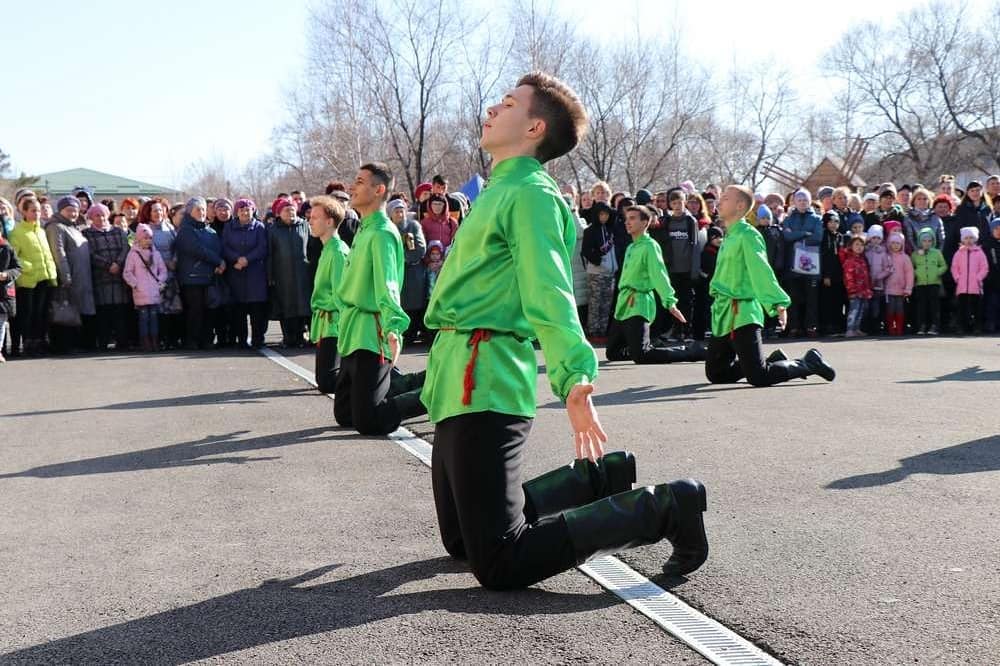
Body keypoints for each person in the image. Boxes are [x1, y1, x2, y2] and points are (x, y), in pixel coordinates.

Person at [421, 72, 709, 591]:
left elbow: (548, 290)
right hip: (454, 373)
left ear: (533, 127)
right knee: (463, 541)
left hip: (482, 375)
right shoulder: (497, 189)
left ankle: (666, 507)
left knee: (500, 562)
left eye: (507, 104)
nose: (491, 108)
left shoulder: (531, 194)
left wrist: (574, 376)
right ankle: (597, 480)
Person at [705, 185, 835, 387]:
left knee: (759, 377)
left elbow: (761, 271)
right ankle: (772, 361)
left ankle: (808, 363)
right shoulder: (729, 234)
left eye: (725, 198)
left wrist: (778, 302)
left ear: (740, 206)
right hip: (723, 312)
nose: (719, 201)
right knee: (716, 373)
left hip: (742, 313)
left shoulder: (748, 235)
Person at [333, 162, 426, 436]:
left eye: (360, 182)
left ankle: (437, 388)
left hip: (371, 332)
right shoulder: (364, 228)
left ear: (379, 190)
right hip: (352, 329)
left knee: (370, 422)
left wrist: (393, 328)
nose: (352, 186)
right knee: (345, 415)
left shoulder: (383, 233)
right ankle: (393, 383)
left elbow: (389, 286)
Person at [605, 205, 705, 365]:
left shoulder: (650, 246)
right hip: (623, 304)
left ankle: (690, 352)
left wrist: (670, 302)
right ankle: (645, 348)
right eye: (626, 219)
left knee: (642, 355)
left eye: (632, 219)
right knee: (613, 353)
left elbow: (659, 275)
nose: (627, 222)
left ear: (645, 222)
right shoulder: (631, 247)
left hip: (639, 303)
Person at [308, 195, 351, 393]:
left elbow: (342, 293)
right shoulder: (327, 248)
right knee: (325, 380)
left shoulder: (337, 251)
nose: (310, 221)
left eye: (315, 217)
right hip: (325, 323)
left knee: (328, 381)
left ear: (329, 221)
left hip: (334, 324)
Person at [45, 196, 95, 353]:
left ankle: (78, 344)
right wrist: (65, 275)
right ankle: (63, 345)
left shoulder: (74, 227)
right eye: (69, 210)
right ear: (60, 210)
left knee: (78, 310)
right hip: (69, 277)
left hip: (82, 276)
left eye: (75, 210)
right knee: (65, 311)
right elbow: (59, 253)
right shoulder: (56, 227)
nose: (73, 213)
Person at [175, 197, 225, 350]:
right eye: (198, 209)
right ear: (190, 212)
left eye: (204, 209)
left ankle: (207, 339)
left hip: (209, 277)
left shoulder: (210, 231)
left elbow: (217, 248)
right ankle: (192, 340)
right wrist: (218, 261)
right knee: (195, 311)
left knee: (209, 310)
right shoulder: (185, 230)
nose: (202, 212)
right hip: (191, 278)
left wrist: (219, 263)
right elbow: (196, 250)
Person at [9, 197, 57, 356]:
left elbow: (47, 254)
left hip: (44, 277)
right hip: (27, 280)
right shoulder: (17, 232)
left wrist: (52, 272)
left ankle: (40, 341)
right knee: (28, 313)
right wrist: (28, 266)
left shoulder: (42, 231)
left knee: (42, 312)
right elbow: (14, 257)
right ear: (24, 212)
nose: (37, 213)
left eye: (38, 210)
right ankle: (28, 343)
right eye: (33, 210)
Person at [651, 188, 700, 340]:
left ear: (685, 202)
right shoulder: (667, 221)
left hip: (686, 268)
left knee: (687, 301)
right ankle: (675, 329)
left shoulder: (690, 221)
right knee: (674, 300)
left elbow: (695, 245)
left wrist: (694, 269)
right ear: (670, 204)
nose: (677, 205)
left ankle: (686, 330)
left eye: (680, 202)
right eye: (674, 203)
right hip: (672, 268)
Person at [82, 203, 131, 350]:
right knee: (103, 312)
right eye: (97, 215)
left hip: (119, 277)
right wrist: (107, 265)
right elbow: (90, 254)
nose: (101, 218)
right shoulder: (87, 234)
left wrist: (118, 263)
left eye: (103, 214)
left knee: (120, 311)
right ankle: (103, 342)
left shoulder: (118, 231)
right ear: (91, 217)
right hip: (101, 277)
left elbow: (125, 249)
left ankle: (122, 342)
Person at [224, 199, 269, 349]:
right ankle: (241, 340)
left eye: (248, 210)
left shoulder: (260, 227)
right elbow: (225, 247)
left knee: (257, 311)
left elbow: (262, 248)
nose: (245, 212)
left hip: (255, 273)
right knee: (239, 311)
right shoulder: (229, 228)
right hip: (236, 272)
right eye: (242, 210)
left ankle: (258, 339)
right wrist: (236, 259)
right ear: (236, 212)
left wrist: (246, 260)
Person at [268, 198, 312, 348]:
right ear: (279, 213)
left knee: (302, 305)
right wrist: (270, 276)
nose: (290, 212)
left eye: (292, 209)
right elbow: (269, 254)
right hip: (282, 274)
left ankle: (300, 336)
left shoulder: (305, 225)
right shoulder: (273, 230)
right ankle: (288, 337)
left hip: (302, 273)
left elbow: (312, 248)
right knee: (285, 306)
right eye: (286, 210)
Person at [782, 189, 823, 337]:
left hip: (811, 264)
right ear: (794, 202)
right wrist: (804, 234)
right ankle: (794, 326)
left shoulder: (817, 219)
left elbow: (818, 237)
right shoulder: (788, 218)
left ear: (809, 201)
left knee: (811, 298)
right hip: (793, 265)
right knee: (793, 297)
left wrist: (796, 236)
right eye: (799, 200)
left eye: (805, 200)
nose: (802, 202)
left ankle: (811, 326)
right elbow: (786, 236)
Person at [122, 224, 167, 351]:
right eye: (145, 238)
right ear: (139, 239)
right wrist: (135, 284)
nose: (148, 240)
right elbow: (127, 272)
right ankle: (145, 341)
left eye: (150, 238)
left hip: (154, 291)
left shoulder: (156, 254)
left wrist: (160, 281)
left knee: (153, 318)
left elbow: (163, 270)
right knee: (143, 318)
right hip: (140, 292)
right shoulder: (133, 254)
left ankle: (155, 340)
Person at [388, 198, 427, 344]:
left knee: (415, 302)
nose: (400, 214)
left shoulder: (413, 226)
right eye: (396, 212)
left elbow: (421, 248)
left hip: (413, 269)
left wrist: (404, 258)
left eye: (402, 211)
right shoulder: (389, 229)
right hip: (395, 271)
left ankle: (413, 332)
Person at [581, 201, 617, 342]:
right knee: (595, 303)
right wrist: (599, 260)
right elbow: (586, 251)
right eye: (601, 214)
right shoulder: (590, 231)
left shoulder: (610, 230)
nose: (604, 217)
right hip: (596, 273)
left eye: (607, 214)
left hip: (610, 272)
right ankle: (593, 331)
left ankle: (602, 330)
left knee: (606, 303)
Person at [951, 227, 989, 335]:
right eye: (966, 238)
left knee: (976, 308)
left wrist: (979, 278)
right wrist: (957, 278)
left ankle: (977, 327)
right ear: (963, 239)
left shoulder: (979, 252)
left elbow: (984, 267)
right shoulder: (959, 253)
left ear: (975, 239)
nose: (969, 240)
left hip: (975, 286)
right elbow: (954, 267)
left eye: (971, 238)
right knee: (962, 308)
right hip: (962, 286)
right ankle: (961, 327)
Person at [910, 227, 948, 335]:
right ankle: (922, 325)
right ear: (920, 241)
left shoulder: (936, 253)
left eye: (929, 241)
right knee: (921, 306)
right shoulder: (915, 254)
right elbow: (911, 267)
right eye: (924, 241)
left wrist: (937, 272)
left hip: (934, 283)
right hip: (920, 284)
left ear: (933, 241)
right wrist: (916, 273)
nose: (927, 243)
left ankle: (935, 325)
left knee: (934, 306)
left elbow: (944, 265)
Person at [840, 234, 872, 338]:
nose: (859, 247)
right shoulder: (850, 261)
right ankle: (850, 329)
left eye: (861, 245)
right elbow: (848, 277)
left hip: (863, 290)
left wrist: (868, 289)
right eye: (857, 244)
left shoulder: (863, 260)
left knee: (861, 311)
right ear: (851, 246)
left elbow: (866, 276)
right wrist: (852, 290)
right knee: (853, 311)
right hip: (854, 291)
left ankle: (856, 328)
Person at [819, 211, 845, 336]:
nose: (833, 224)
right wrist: (826, 275)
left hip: (839, 275)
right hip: (827, 274)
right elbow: (825, 257)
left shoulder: (840, 237)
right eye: (831, 221)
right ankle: (827, 326)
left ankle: (837, 325)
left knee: (838, 301)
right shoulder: (824, 236)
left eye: (836, 222)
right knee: (827, 301)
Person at [883, 232, 913, 336]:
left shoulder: (905, 258)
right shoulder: (886, 256)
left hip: (901, 290)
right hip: (889, 289)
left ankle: (899, 328)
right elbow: (882, 271)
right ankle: (891, 327)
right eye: (893, 243)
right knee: (890, 309)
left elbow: (909, 274)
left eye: (898, 243)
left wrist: (908, 288)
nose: (895, 245)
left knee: (900, 309)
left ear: (902, 244)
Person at [0, 229, 22, 362]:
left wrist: (6, 275)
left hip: (3, 293)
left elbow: (18, 268)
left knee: (1, 323)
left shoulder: (7, 248)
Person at [983, 218, 1000, 333]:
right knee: (992, 303)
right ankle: (990, 322)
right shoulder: (987, 244)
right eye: (996, 229)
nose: (999, 231)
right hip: (992, 280)